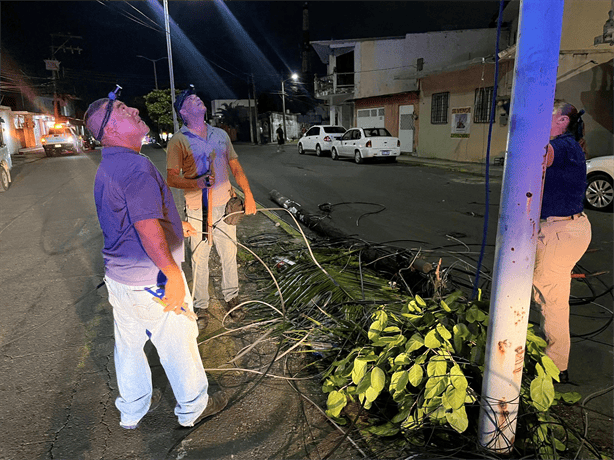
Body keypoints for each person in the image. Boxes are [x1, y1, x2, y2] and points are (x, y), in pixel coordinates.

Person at [85, 87, 227, 429]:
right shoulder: (137, 166)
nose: (134, 109)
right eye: (122, 109)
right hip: (153, 279)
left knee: (129, 349)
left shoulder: (110, 164)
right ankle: (192, 407)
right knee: (179, 344)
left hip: (120, 279)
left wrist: (178, 231)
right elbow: (145, 225)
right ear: (110, 131)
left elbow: (128, 217)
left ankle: (131, 411)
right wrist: (172, 274)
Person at [166, 86, 257, 322]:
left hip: (225, 206)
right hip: (197, 209)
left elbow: (235, 167)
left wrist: (248, 194)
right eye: (191, 100)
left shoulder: (221, 135)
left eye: (198, 97)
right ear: (183, 113)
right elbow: (172, 177)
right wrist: (197, 182)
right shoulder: (178, 141)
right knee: (200, 258)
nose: (197, 99)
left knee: (229, 254)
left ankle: (232, 298)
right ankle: (201, 305)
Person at [532, 100, 591, 384]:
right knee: (543, 289)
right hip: (567, 227)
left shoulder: (564, 146)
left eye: (548, 114)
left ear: (563, 121)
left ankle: (556, 368)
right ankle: (549, 357)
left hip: (560, 230)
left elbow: (537, 156)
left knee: (551, 299)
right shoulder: (570, 145)